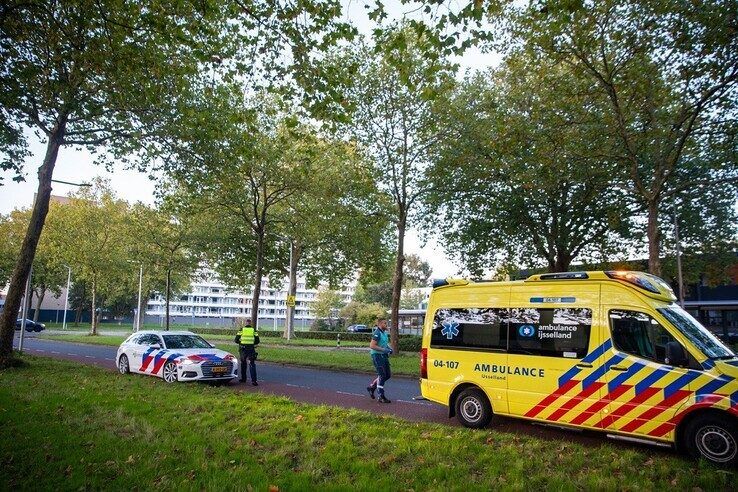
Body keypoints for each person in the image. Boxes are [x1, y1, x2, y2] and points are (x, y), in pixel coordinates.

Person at [367, 317, 392, 403]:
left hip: (383, 356)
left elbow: (385, 343)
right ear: (380, 324)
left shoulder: (384, 333)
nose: (386, 325)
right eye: (385, 323)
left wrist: (389, 348)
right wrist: (383, 350)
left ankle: (372, 387)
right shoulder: (377, 333)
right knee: (382, 375)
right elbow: (372, 346)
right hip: (377, 356)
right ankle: (381, 396)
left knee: (387, 375)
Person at [235, 321, 260, 386]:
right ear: (250, 323)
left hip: (243, 349)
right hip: (251, 348)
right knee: (252, 364)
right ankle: (254, 381)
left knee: (243, 363)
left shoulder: (241, 330)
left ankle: (243, 379)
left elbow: (236, 340)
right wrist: (252, 343)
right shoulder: (253, 330)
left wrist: (241, 343)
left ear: (245, 324)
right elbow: (257, 341)